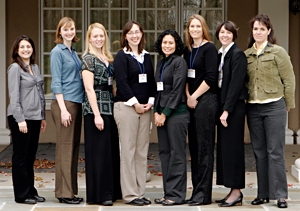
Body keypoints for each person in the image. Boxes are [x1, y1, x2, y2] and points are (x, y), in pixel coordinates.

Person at [245, 14, 295, 209]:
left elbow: (289, 80)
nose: (258, 32)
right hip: (253, 107)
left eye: (262, 29)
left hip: (274, 105)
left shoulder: (278, 52)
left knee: (275, 151)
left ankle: (281, 195)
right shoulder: (247, 54)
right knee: (259, 152)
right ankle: (263, 193)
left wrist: (288, 103)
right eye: (255, 29)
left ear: (268, 31)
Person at [113, 20, 155, 206]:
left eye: (137, 32)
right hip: (127, 108)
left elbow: (152, 82)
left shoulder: (146, 57)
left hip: (145, 110)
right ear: (125, 36)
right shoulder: (121, 56)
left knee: (141, 152)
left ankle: (140, 192)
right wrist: (136, 103)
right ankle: (130, 195)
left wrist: (150, 102)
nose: (134, 35)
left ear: (141, 34)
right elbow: (121, 83)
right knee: (128, 152)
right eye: (130, 33)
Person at [81, 22, 122, 206]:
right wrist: (97, 114)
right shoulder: (88, 59)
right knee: (99, 153)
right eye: (95, 36)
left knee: (110, 151)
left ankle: (111, 191)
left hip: (110, 108)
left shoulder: (107, 57)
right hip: (95, 110)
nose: (99, 39)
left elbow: (111, 85)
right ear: (89, 38)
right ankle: (100, 194)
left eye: (101, 35)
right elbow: (89, 89)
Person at [183, 14, 218, 206]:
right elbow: (186, 77)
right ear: (188, 29)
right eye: (191, 26)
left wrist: (195, 96)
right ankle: (196, 191)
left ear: (203, 28)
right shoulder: (188, 51)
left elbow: (211, 77)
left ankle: (204, 195)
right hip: (191, 101)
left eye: (198, 26)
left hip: (206, 101)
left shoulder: (209, 48)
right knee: (194, 148)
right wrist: (189, 96)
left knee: (205, 148)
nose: (194, 29)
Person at [7, 35, 47, 204]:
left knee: (30, 156)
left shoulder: (34, 67)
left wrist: (42, 116)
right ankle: (22, 195)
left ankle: (31, 190)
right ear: (17, 50)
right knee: (20, 157)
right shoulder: (15, 68)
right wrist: (20, 119)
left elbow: (39, 93)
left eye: (28, 46)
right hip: (21, 118)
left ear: (32, 49)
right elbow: (14, 96)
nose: (25, 49)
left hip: (35, 117)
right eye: (22, 47)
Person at [153, 29, 189, 206]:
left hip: (177, 114)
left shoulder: (179, 62)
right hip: (161, 115)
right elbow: (157, 90)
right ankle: (168, 193)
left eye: (171, 43)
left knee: (177, 154)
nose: (167, 45)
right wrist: (156, 112)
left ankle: (177, 195)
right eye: (164, 42)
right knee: (165, 154)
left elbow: (177, 90)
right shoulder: (160, 63)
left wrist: (164, 114)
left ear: (176, 45)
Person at [50, 17, 84, 204]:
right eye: (66, 29)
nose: (69, 32)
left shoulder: (73, 52)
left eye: (72, 29)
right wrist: (63, 109)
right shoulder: (57, 52)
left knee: (73, 149)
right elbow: (56, 82)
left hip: (77, 102)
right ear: (60, 32)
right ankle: (63, 193)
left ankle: (70, 191)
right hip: (65, 104)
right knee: (64, 149)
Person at [214, 21, 248, 207]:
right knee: (225, 149)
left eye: (228, 32)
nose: (224, 35)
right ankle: (231, 189)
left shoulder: (237, 54)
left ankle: (236, 192)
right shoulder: (221, 54)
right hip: (223, 106)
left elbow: (235, 85)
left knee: (234, 149)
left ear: (234, 35)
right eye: (221, 32)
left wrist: (226, 110)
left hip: (233, 108)